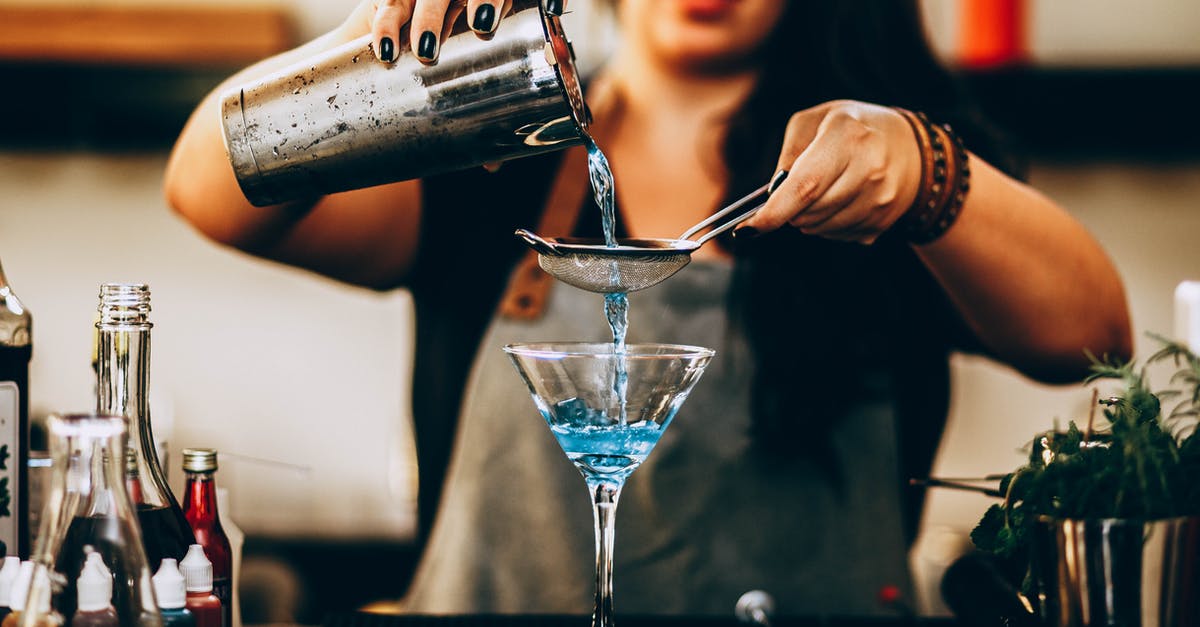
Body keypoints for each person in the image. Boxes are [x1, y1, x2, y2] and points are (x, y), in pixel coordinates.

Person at [165, 0, 1132, 616]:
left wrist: (926, 168)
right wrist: (377, 45)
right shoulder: (492, 149)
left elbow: (1093, 338)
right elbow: (208, 187)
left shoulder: (877, 176)